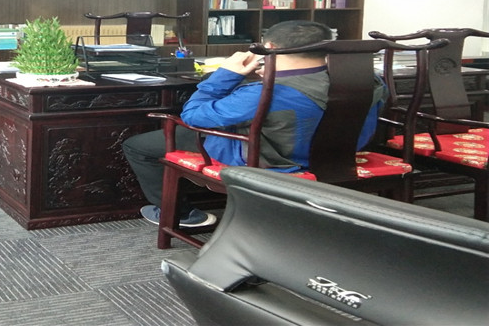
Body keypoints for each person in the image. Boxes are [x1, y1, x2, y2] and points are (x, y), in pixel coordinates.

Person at [122, 20, 386, 228]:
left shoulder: (265, 92)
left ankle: (181, 215)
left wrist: (227, 74)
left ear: (268, 47)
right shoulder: (368, 80)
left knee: (138, 146)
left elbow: (193, 115)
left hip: (273, 158)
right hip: (340, 156)